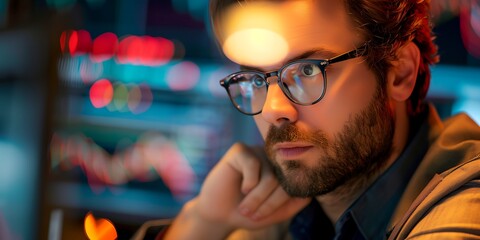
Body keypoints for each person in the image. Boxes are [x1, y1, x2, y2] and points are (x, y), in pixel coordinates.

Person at [162, 0, 480, 239]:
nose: (273, 110)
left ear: (400, 72)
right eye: (256, 80)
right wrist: (203, 220)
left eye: (308, 70)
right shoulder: (278, 208)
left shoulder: (464, 210)